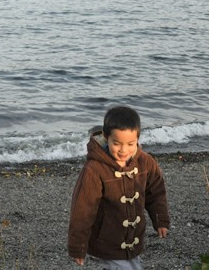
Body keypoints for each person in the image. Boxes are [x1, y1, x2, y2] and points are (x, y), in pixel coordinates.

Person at [68, 106, 170, 269]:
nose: (124, 150)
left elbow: (156, 192)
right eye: (117, 143)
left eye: (131, 144)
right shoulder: (94, 169)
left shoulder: (145, 162)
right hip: (109, 238)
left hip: (134, 237)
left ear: (138, 138)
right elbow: (82, 210)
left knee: (134, 265)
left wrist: (160, 220)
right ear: (106, 137)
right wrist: (77, 246)